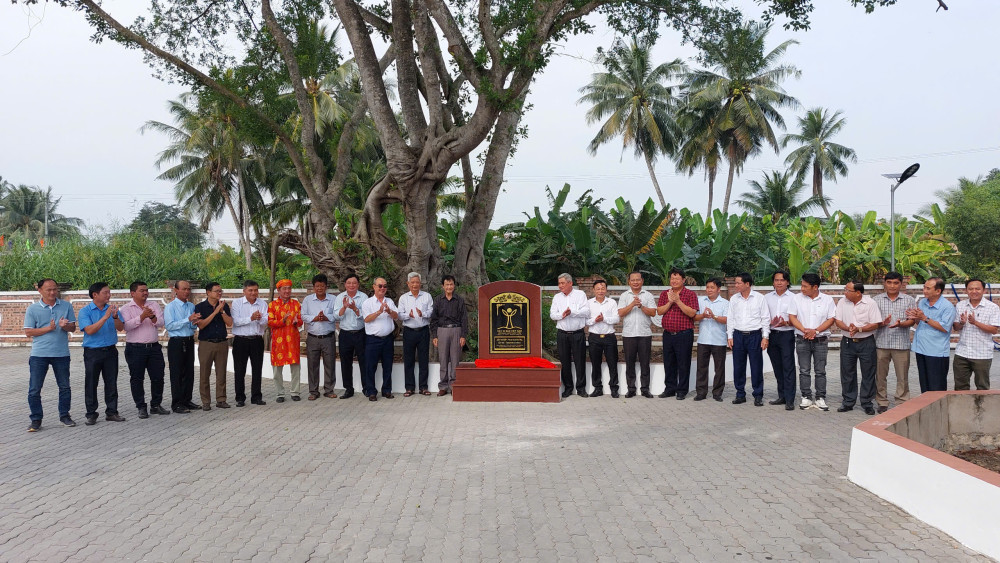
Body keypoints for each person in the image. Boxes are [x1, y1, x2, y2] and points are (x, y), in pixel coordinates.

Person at [24, 278, 77, 431]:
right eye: (49, 290)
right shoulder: (33, 309)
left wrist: (65, 326)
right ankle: (36, 419)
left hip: (61, 353)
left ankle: (65, 415)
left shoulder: (66, 306)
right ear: (39, 290)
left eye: (55, 289)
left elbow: (73, 328)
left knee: (65, 387)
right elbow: (28, 332)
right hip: (39, 354)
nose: (53, 292)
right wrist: (49, 328)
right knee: (34, 389)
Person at [119, 280, 168, 419]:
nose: (145, 293)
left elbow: (161, 322)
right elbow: (126, 327)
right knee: (137, 378)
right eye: (142, 290)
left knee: (158, 377)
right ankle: (141, 406)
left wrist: (151, 316)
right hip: (135, 348)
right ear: (133, 293)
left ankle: (156, 405)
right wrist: (141, 317)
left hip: (154, 348)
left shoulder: (154, 305)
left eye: (146, 290)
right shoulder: (126, 309)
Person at [78, 282, 125, 425]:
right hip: (93, 352)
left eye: (109, 292)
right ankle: (91, 414)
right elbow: (90, 330)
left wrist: (115, 317)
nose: (109, 295)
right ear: (95, 294)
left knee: (111, 382)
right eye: (105, 293)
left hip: (110, 350)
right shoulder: (85, 311)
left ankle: (112, 412)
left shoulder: (113, 309)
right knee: (91, 383)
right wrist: (105, 317)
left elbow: (121, 328)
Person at [788, 273, 836, 411]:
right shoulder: (796, 299)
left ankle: (820, 397)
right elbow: (792, 317)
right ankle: (806, 397)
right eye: (801, 285)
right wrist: (804, 330)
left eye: (805, 286)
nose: (802, 289)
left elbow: (831, 319)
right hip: (802, 339)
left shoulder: (827, 300)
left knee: (820, 370)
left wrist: (815, 331)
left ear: (815, 287)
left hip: (820, 340)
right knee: (804, 370)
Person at [834, 280, 883, 415]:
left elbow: (876, 323)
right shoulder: (842, 302)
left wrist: (859, 329)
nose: (845, 292)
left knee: (868, 373)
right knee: (847, 372)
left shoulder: (870, 303)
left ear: (858, 292)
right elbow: (838, 320)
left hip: (866, 342)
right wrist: (848, 328)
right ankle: (848, 401)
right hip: (848, 342)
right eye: (845, 289)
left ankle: (867, 402)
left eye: (848, 290)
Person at [873, 272, 917, 413]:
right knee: (880, 376)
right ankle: (882, 401)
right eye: (889, 282)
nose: (892, 286)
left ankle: (902, 400)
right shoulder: (876, 300)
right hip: (881, 343)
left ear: (901, 284)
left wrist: (901, 324)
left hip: (901, 344)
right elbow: (872, 321)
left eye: (896, 283)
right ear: (884, 283)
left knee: (902, 376)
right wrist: (881, 323)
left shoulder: (909, 300)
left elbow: (912, 320)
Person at [725, 273, 770, 406]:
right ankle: (740, 394)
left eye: (738, 283)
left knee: (756, 366)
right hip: (738, 335)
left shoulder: (759, 298)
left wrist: (765, 337)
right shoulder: (734, 299)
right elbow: (730, 318)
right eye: (735, 283)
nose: (736, 285)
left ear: (747, 284)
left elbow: (765, 318)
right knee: (738, 366)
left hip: (754, 335)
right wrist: (730, 336)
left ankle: (758, 394)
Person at [656, 268, 699, 399]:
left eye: (677, 278)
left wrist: (678, 301)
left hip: (684, 334)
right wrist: (670, 301)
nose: (674, 281)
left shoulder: (690, 294)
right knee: (669, 363)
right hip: (668, 334)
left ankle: (682, 390)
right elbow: (660, 311)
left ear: (683, 280)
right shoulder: (665, 294)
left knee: (683, 363)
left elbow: (692, 313)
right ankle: (670, 388)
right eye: (672, 278)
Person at [908, 277, 957, 393]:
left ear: (938, 291)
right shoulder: (922, 302)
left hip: (936, 352)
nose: (924, 290)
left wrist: (925, 318)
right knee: (924, 385)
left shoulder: (947, 307)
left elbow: (945, 328)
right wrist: (915, 317)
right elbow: (920, 323)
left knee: (937, 386)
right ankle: (926, 409)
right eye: (924, 287)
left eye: (928, 288)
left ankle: (939, 411)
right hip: (921, 349)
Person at [951, 278, 999, 390]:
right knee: (960, 387)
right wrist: (962, 323)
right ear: (966, 290)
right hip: (962, 353)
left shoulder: (992, 307)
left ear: (984, 290)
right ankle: (962, 407)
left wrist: (975, 322)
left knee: (982, 387)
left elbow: (993, 330)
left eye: (977, 288)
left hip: (982, 354)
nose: (974, 291)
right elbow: (956, 327)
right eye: (971, 289)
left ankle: (981, 407)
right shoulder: (960, 305)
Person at [617, 271, 657, 398]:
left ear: (642, 281)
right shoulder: (624, 295)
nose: (635, 282)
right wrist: (632, 304)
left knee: (645, 363)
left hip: (644, 334)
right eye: (633, 280)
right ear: (629, 281)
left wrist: (641, 306)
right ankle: (631, 389)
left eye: (638, 280)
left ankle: (645, 389)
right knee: (630, 363)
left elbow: (653, 312)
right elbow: (621, 313)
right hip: (629, 334)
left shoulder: (648, 295)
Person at [163, 280, 202, 413]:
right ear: (176, 290)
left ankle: (187, 400)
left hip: (189, 340)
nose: (187, 292)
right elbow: (170, 326)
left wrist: (195, 322)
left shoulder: (191, 306)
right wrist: (188, 319)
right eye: (184, 289)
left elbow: (191, 325)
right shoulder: (170, 307)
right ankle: (177, 403)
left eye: (188, 289)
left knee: (189, 372)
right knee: (177, 373)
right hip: (177, 342)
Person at [550, 273, 590, 398]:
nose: (560, 286)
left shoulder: (580, 295)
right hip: (562, 334)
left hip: (577, 333)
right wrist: (562, 315)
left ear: (570, 283)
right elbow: (552, 314)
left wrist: (572, 312)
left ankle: (581, 388)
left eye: (563, 283)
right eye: (559, 283)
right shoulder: (557, 297)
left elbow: (586, 311)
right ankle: (568, 388)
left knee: (580, 361)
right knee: (565, 361)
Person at [195, 282, 232, 409]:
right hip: (206, 343)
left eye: (220, 291)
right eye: (216, 291)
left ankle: (221, 399)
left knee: (221, 372)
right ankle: (206, 401)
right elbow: (201, 325)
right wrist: (215, 312)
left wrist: (221, 311)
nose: (219, 293)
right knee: (205, 373)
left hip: (222, 342)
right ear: (208, 292)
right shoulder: (200, 307)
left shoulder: (224, 305)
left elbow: (230, 323)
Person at [361, 277, 399, 401]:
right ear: (374, 287)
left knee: (388, 366)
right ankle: (371, 391)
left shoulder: (390, 301)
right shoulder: (368, 303)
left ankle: (387, 390)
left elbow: (396, 316)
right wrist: (379, 312)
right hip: (373, 340)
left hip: (387, 339)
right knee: (370, 366)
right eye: (380, 286)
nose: (383, 288)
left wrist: (388, 310)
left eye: (385, 286)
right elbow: (366, 319)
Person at [231, 279, 268, 406]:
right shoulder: (237, 303)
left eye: (256, 290)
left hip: (257, 340)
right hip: (241, 340)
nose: (253, 293)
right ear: (244, 291)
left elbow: (266, 321)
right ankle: (240, 398)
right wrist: (251, 318)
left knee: (257, 369)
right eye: (250, 290)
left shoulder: (262, 304)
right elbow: (235, 322)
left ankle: (256, 397)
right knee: (239, 370)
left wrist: (259, 319)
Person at [397, 272, 435, 396]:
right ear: (408, 284)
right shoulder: (403, 298)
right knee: (409, 360)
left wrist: (422, 313)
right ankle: (409, 388)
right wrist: (409, 315)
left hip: (423, 331)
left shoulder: (427, 296)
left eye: (417, 282)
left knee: (424, 359)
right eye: (412, 282)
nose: (415, 285)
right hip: (409, 331)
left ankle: (423, 387)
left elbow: (431, 312)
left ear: (420, 283)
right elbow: (399, 315)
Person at [302, 274, 338, 400]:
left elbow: (337, 315)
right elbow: (303, 315)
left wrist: (327, 318)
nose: (319, 288)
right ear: (313, 287)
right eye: (317, 286)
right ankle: (313, 391)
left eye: (322, 286)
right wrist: (315, 318)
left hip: (328, 337)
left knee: (330, 364)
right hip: (312, 337)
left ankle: (329, 390)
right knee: (312, 365)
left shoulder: (333, 299)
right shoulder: (307, 300)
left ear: (326, 286)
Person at [430, 274, 467, 396]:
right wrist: (435, 336)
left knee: (455, 359)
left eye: (451, 284)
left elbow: (464, 319)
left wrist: (463, 336)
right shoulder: (438, 300)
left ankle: (453, 385)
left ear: (454, 286)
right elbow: (434, 319)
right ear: (443, 286)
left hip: (456, 330)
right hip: (442, 331)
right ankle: (443, 386)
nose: (449, 287)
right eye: (447, 284)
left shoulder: (459, 300)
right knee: (443, 359)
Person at [765, 270, 797, 408]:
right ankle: (782, 396)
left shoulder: (794, 298)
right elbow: (763, 316)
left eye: (782, 280)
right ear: (773, 282)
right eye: (776, 280)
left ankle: (790, 399)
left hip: (786, 335)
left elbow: (797, 319)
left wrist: (787, 323)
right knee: (777, 367)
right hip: (772, 334)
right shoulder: (766, 298)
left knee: (788, 367)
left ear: (787, 282)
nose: (779, 282)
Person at [268, 279, 303, 403]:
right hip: (278, 341)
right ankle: (280, 393)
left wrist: (296, 322)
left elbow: (300, 321)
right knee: (277, 368)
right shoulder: (272, 305)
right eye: (284, 288)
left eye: (289, 288)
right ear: (279, 290)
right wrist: (282, 321)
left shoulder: (296, 304)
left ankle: (295, 392)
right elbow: (270, 322)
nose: (287, 291)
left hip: (292, 339)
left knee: (295, 367)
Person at [694, 278, 728, 402]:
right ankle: (701, 392)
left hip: (719, 340)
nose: (709, 290)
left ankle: (717, 393)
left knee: (719, 368)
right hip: (703, 339)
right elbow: (694, 317)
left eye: (712, 287)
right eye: (708, 287)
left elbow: (727, 319)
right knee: (701, 367)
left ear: (718, 289)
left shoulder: (725, 303)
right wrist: (703, 315)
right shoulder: (700, 301)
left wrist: (714, 316)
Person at [334, 274, 367, 399]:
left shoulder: (363, 297)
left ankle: (366, 388)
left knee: (364, 361)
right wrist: (344, 307)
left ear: (358, 284)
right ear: (345, 285)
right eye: (349, 283)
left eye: (354, 283)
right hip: (345, 334)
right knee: (345, 362)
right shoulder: (340, 297)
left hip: (360, 333)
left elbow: (366, 316)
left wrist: (355, 308)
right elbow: (336, 316)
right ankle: (348, 389)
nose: (351, 285)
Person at [586, 278, 621, 397]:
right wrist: (595, 320)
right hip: (594, 337)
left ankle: (614, 387)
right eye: (598, 289)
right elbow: (586, 321)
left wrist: (604, 319)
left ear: (606, 289)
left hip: (609, 337)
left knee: (612, 362)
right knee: (595, 363)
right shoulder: (589, 303)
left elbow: (616, 319)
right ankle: (597, 388)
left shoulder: (611, 302)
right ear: (593, 290)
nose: (600, 291)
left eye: (603, 288)